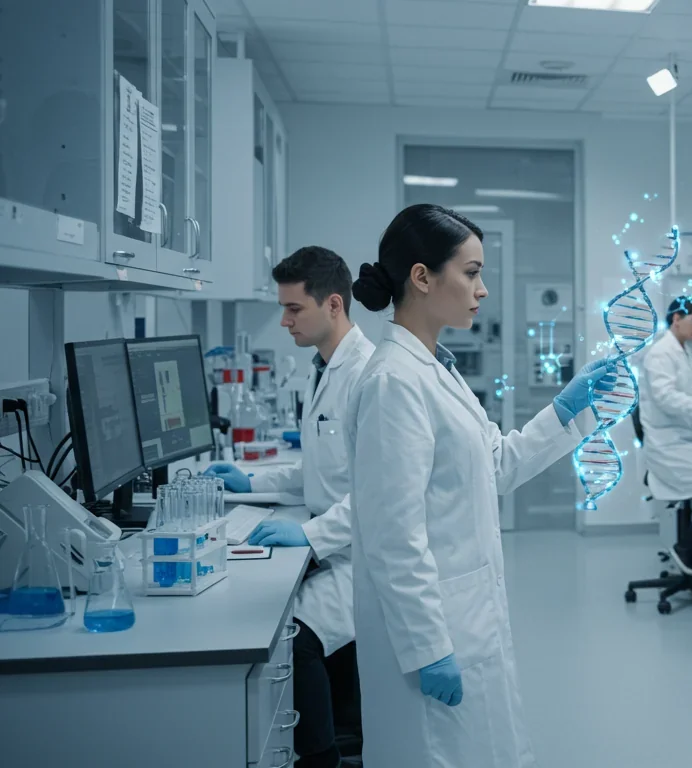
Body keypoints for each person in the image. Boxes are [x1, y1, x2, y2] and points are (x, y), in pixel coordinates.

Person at [345, 203, 615, 768]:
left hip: (465, 615)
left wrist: (565, 409)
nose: (482, 289)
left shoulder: (435, 369)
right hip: (433, 632)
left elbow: (495, 465)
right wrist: (427, 646)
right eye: (471, 273)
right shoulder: (394, 383)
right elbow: (393, 536)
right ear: (422, 277)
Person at [205, 246, 375, 768]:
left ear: (333, 304)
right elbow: (318, 469)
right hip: (336, 543)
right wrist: (249, 481)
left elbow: (379, 494)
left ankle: (321, 759)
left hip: (363, 557)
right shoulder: (322, 369)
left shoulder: (368, 377)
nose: (284, 321)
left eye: (293, 308)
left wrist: (309, 535)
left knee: (291, 635)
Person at [639, 295, 692, 574]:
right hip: (668, 445)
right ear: (676, 319)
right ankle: (686, 547)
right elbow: (666, 397)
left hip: (684, 439)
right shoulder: (661, 353)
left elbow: (685, 390)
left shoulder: (681, 350)